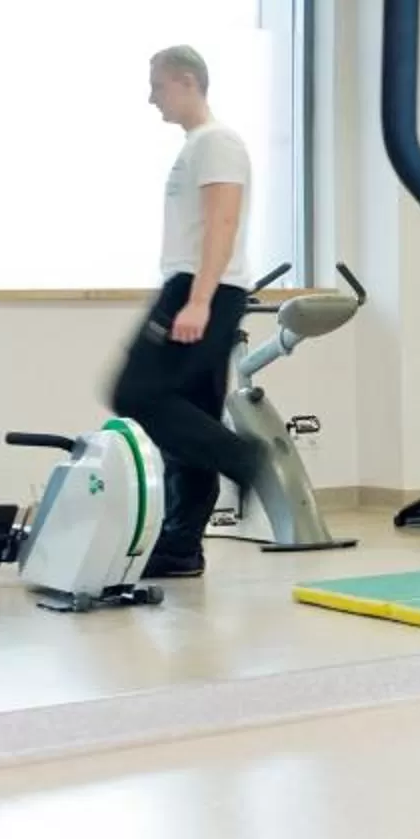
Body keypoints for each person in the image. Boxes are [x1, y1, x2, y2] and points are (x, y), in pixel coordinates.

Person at [113, 44, 263, 579]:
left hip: (201, 288)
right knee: (192, 413)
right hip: (203, 287)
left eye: (157, 86)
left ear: (186, 81)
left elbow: (222, 222)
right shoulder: (196, 146)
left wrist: (198, 299)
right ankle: (182, 546)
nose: (151, 98)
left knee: (133, 392)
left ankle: (242, 458)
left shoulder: (217, 142)